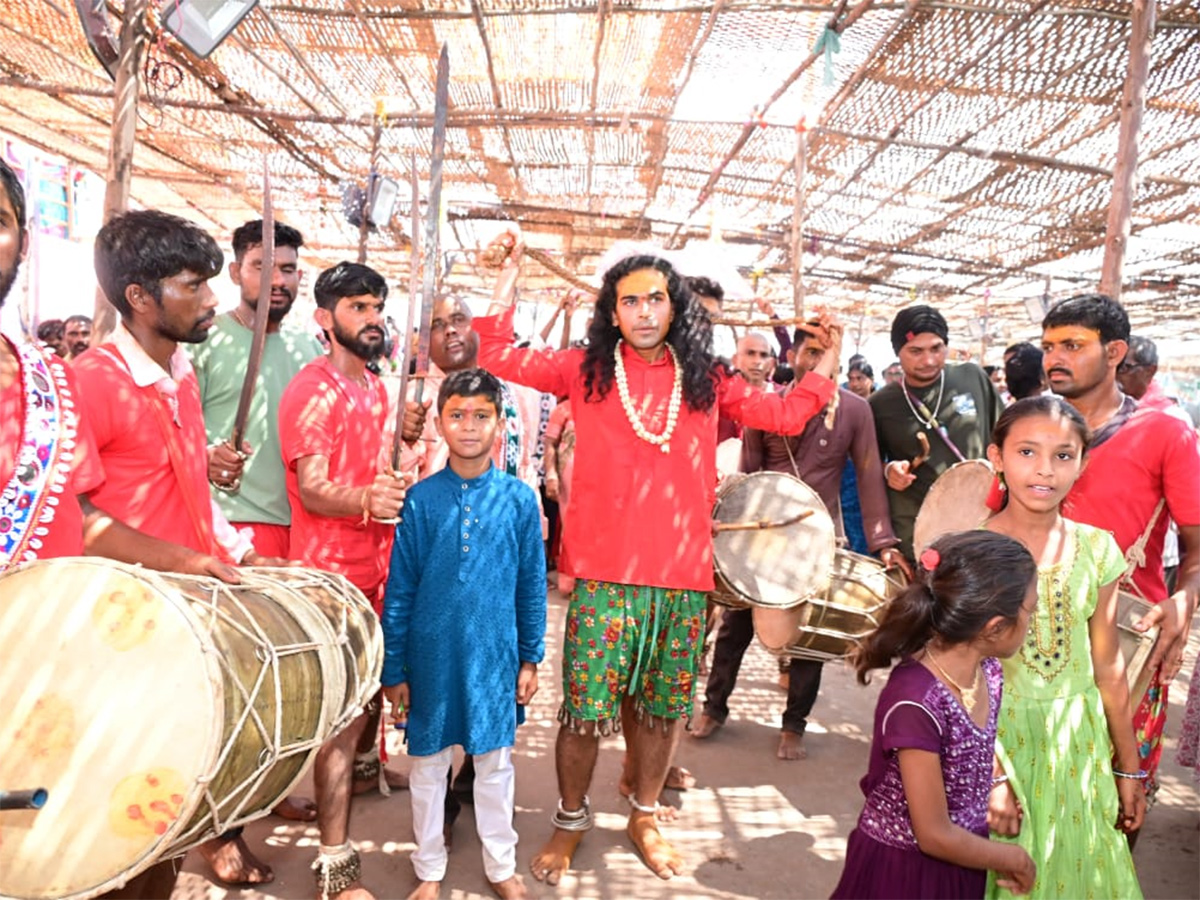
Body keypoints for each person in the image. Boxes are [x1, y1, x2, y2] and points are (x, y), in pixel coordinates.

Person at [477, 235, 843, 884]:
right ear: (612, 312)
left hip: (682, 581)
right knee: (583, 712)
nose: (644, 311)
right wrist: (504, 278)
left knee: (661, 710)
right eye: (629, 301)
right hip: (603, 580)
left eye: (655, 299)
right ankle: (570, 821)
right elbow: (500, 354)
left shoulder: (710, 380)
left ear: (673, 308)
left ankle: (643, 813)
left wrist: (824, 365)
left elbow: (785, 415)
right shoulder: (584, 369)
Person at [73, 209, 282, 890]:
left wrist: (237, 553)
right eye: (193, 285)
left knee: (171, 808)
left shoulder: (181, 373)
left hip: (185, 620)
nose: (214, 300)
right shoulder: (93, 381)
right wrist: (187, 562)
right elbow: (76, 518)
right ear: (138, 297)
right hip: (123, 631)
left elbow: (191, 488)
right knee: (120, 818)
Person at [694, 321, 908, 759]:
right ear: (791, 357)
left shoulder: (854, 410)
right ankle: (714, 708)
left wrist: (883, 540)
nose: (813, 362)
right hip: (761, 537)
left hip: (817, 540)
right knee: (736, 627)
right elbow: (750, 475)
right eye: (807, 353)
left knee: (809, 633)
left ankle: (794, 725)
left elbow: (869, 477)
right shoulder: (767, 407)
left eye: (822, 353)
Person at [278, 261, 418, 899]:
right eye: (357, 307)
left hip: (378, 572)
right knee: (336, 722)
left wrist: (398, 459)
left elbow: (375, 467)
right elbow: (312, 489)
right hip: (329, 580)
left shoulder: (375, 387)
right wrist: (369, 499)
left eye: (376, 307)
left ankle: (360, 777)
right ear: (324, 319)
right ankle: (335, 867)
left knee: (362, 705)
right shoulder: (314, 390)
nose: (372, 318)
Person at [382, 369, 546, 900]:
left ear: (500, 424)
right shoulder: (421, 500)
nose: (469, 427)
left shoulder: (520, 501)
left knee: (495, 765)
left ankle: (501, 865)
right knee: (428, 764)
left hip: (494, 658)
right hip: (431, 658)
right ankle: (429, 866)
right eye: (457, 415)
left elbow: (531, 584)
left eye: (481, 416)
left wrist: (530, 657)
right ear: (439, 421)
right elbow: (401, 589)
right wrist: (395, 667)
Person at [1040, 293, 1199, 808]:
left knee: (1114, 799)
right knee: (1028, 797)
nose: (1054, 358)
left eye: (1072, 345)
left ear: (1114, 353)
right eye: (1048, 347)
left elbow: (1197, 548)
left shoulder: (1166, 433)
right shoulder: (1031, 427)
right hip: (1031, 637)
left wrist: (1186, 598)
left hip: (1127, 641)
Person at [982, 396, 1144, 897]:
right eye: (1027, 452)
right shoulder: (969, 548)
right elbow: (951, 674)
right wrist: (992, 777)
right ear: (997, 457)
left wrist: (1128, 767)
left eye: (1063, 455)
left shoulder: (1098, 550)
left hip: (1079, 746)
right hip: (994, 740)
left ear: (1083, 464)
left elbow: (1109, 667)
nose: (1045, 470)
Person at [831, 530, 1038, 899]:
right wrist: (1015, 858)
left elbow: (970, 748)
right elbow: (934, 834)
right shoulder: (915, 702)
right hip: (904, 877)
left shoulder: (987, 671)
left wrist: (996, 782)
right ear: (994, 627)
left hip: (960, 861)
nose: (1032, 623)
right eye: (1029, 611)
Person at [869, 305, 1003, 559]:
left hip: (984, 519)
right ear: (898, 352)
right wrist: (889, 471)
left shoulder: (971, 377)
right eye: (915, 351)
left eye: (936, 348)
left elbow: (1006, 434)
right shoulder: (880, 404)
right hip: (921, 531)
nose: (929, 360)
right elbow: (870, 466)